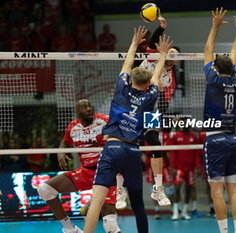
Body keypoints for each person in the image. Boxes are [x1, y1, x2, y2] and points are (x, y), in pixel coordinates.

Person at [83, 26, 173, 233]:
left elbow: (127, 63)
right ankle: (148, 191)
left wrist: (134, 42)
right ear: (147, 83)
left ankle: (139, 190)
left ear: (131, 81)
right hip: (133, 151)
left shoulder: (122, 89)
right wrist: (162, 56)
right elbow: (157, 77)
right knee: (139, 205)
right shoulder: (151, 96)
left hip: (112, 148)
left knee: (96, 202)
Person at [116, 16, 179, 209]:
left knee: (155, 144)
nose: (171, 54)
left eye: (174, 54)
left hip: (150, 110)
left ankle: (157, 189)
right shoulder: (153, 57)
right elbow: (152, 43)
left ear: (176, 61)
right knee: (122, 148)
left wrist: (158, 93)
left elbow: (164, 106)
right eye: (169, 51)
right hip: (130, 106)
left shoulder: (170, 80)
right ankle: (120, 191)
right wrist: (160, 29)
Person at [37, 99, 121, 233]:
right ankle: (70, 229)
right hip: (86, 173)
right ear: (77, 112)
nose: (88, 109)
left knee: (110, 224)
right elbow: (64, 142)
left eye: (89, 106)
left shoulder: (104, 120)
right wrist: (61, 153)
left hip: (106, 172)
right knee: (44, 189)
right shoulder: (73, 128)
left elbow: (122, 130)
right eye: (84, 107)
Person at [203, 8, 236, 233]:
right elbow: (235, 51)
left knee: (217, 192)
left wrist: (215, 26)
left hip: (215, 140)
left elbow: (207, 49)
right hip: (233, 139)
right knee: (234, 191)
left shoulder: (212, 79)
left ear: (215, 68)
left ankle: (223, 231)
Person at [170, 126, 200, 220]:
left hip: (190, 169)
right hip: (179, 168)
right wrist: (173, 166)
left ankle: (184, 212)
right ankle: (175, 212)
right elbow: (172, 152)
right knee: (177, 189)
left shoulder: (194, 137)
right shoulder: (176, 136)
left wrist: (197, 166)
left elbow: (197, 152)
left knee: (188, 190)